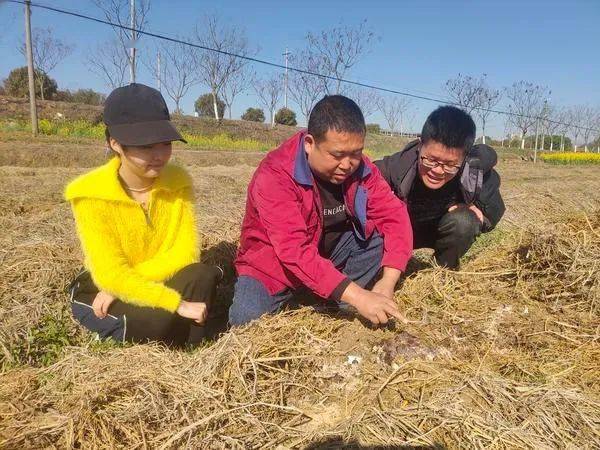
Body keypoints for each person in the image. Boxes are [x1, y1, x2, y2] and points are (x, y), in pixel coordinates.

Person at [229, 95, 413, 327]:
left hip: (327, 252)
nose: (347, 165)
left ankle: (336, 302)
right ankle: (341, 294)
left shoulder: (362, 168)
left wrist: (387, 282)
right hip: (273, 265)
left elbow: (394, 215)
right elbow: (293, 250)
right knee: (245, 321)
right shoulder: (275, 175)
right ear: (309, 143)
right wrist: (360, 296)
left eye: (356, 153)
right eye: (337, 155)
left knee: (375, 239)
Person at [65, 83, 221, 346]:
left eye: (165, 143)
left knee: (202, 275)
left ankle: (186, 343)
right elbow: (111, 274)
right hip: (101, 288)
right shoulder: (90, 194)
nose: (160, 155)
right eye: (146, 146)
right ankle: (172, 330)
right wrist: (175, 303)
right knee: (152, 319)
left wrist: (132, 285)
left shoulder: (178, 182)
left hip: (139, 281)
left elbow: (184, 254)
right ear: (115, 143)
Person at [374, 106, 505, 270]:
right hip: (402, 230)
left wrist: (479, 213)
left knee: (464, 221)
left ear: (464, 158)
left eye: (450, 165)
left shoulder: (474, 172)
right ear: (420, 145)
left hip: (439, 230)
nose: (437, 171)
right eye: (430, 160)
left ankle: (442, 270)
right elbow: (362, 178)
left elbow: (494, 211)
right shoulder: (397, 167)